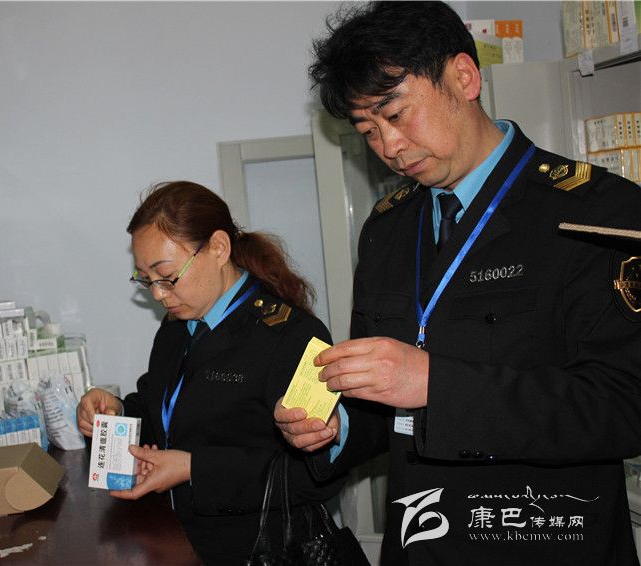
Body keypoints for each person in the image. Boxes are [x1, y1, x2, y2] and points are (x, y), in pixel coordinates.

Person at [273, 2, 641, 565]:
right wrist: (334, 426)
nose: (389, 147)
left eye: (396, 115)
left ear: (464, 78)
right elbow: (383, 403)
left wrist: (433, 384)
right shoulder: (388, 229)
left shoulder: (594, 213)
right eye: (368, 131)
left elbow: (623, 405)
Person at [76, 181, 348, 565]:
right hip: (180, 542)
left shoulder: (290, 335)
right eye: (145, 279)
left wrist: (193, 468)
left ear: (219, 248)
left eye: (167, 276)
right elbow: (163, 415)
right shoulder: (176, 328)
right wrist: (115, 412)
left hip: (260, 550)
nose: (157, 294)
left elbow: (312, 475)